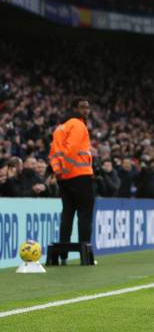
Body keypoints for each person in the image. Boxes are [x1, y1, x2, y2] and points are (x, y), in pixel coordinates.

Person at [49, 97, 95, 265]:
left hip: (64, 179)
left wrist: (58, 171)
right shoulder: (78, 124)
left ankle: (63, 256)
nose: (86, 111)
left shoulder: (59, 128)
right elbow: (72, 149)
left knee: (67, 214)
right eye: (83, 107)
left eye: (87, 108)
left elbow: (53, 154)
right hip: (80, 175)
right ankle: (86, 256)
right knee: (84, 214)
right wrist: (66, 170)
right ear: (74, 108)